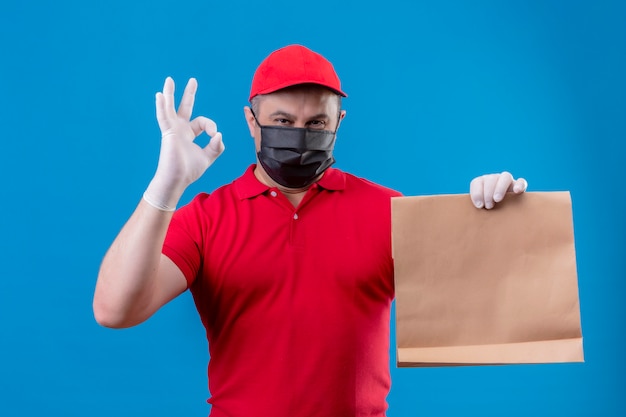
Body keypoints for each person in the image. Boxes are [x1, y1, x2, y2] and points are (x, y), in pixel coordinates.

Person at [93, 44, 527, 416]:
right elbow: (114, 310)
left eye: (316, 124)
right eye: (282, 122)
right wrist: (165, 186)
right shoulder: (208, 217)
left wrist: (495, 218)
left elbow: (478, 304)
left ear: (338, 123)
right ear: (251, 122)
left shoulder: (389, 210)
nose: (299, 136)